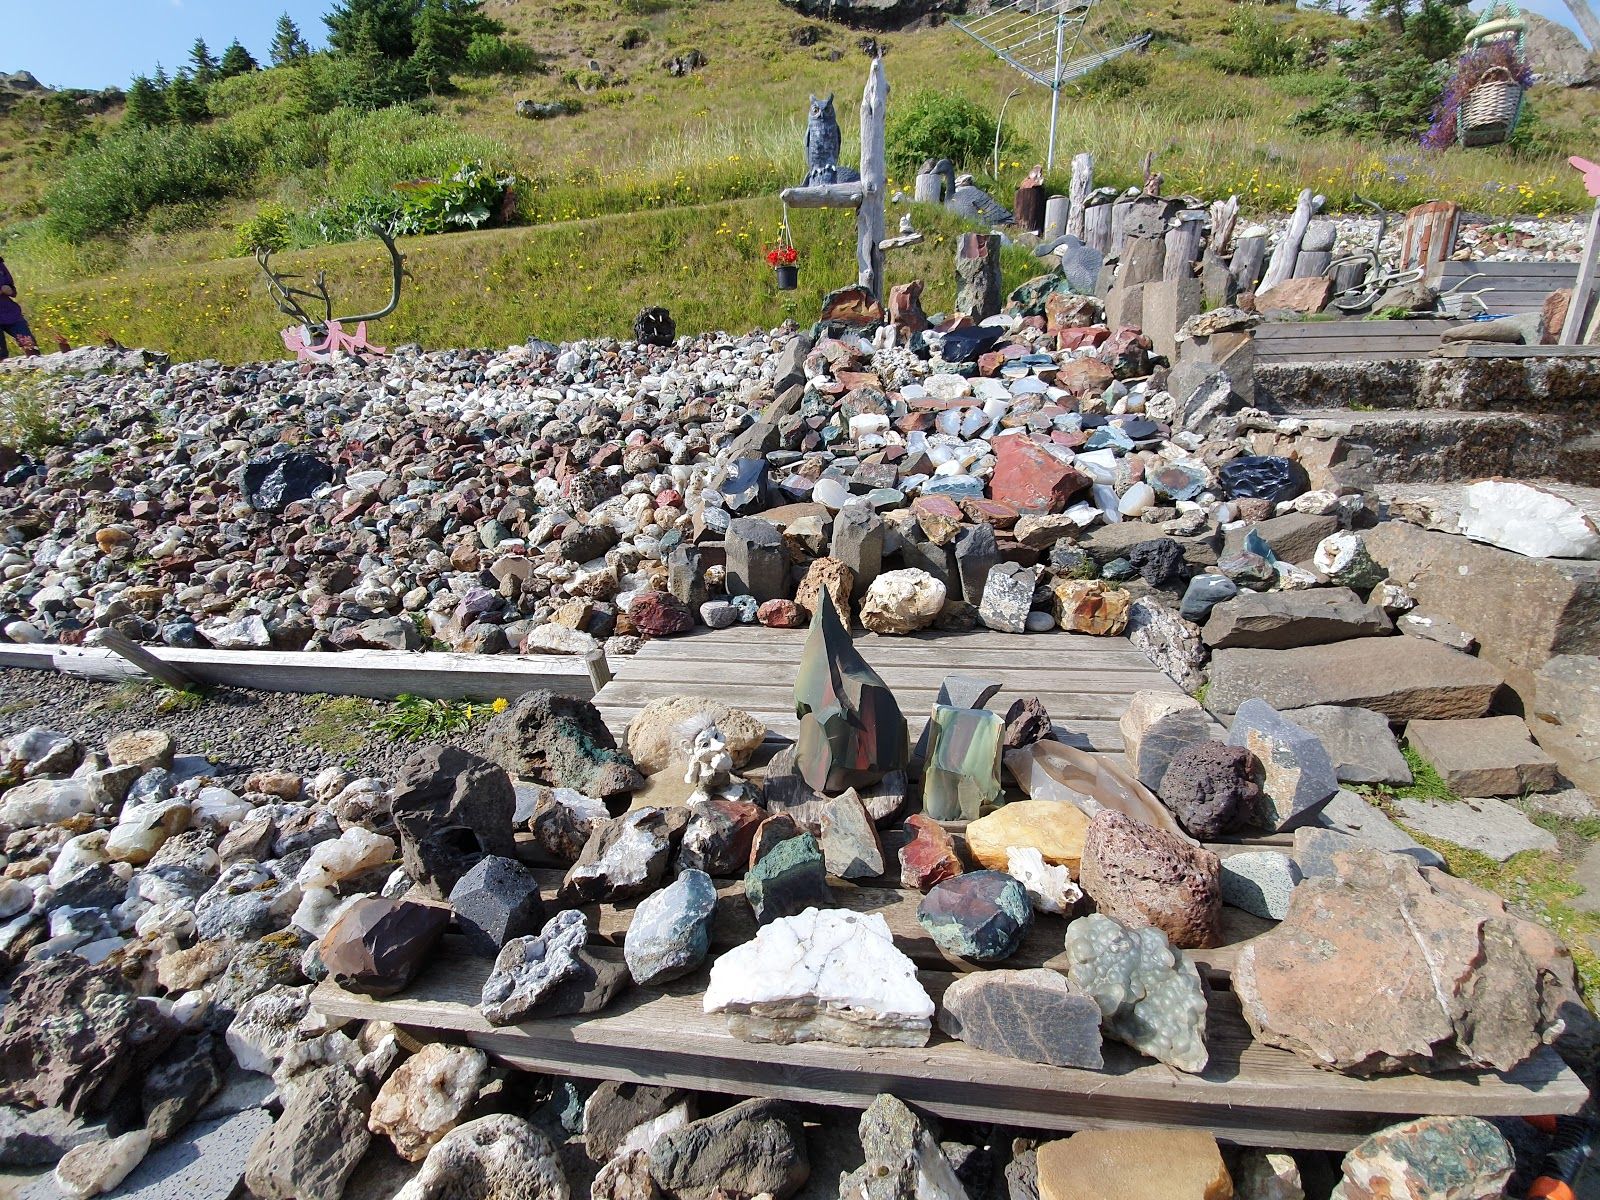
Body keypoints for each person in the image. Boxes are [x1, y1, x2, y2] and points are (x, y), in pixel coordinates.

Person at [0, 256, 40, 360]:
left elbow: (12, 289)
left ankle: (37, 372)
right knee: (1, 353)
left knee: (31, 346)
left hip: (9, 313)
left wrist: (9, 290)